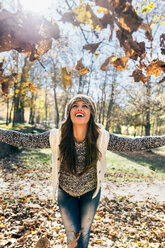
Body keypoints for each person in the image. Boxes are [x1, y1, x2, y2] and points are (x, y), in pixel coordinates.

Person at [0, 94, 165, 248]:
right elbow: (25, 139)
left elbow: (133, 144)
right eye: (75, 106)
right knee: (72, 236)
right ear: (69, 113)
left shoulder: (102, 137)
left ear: (91, 113)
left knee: (84, 234)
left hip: (90, 192)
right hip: (65, 191)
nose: (80, 108)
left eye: (85, 106)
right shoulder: (57, 136)